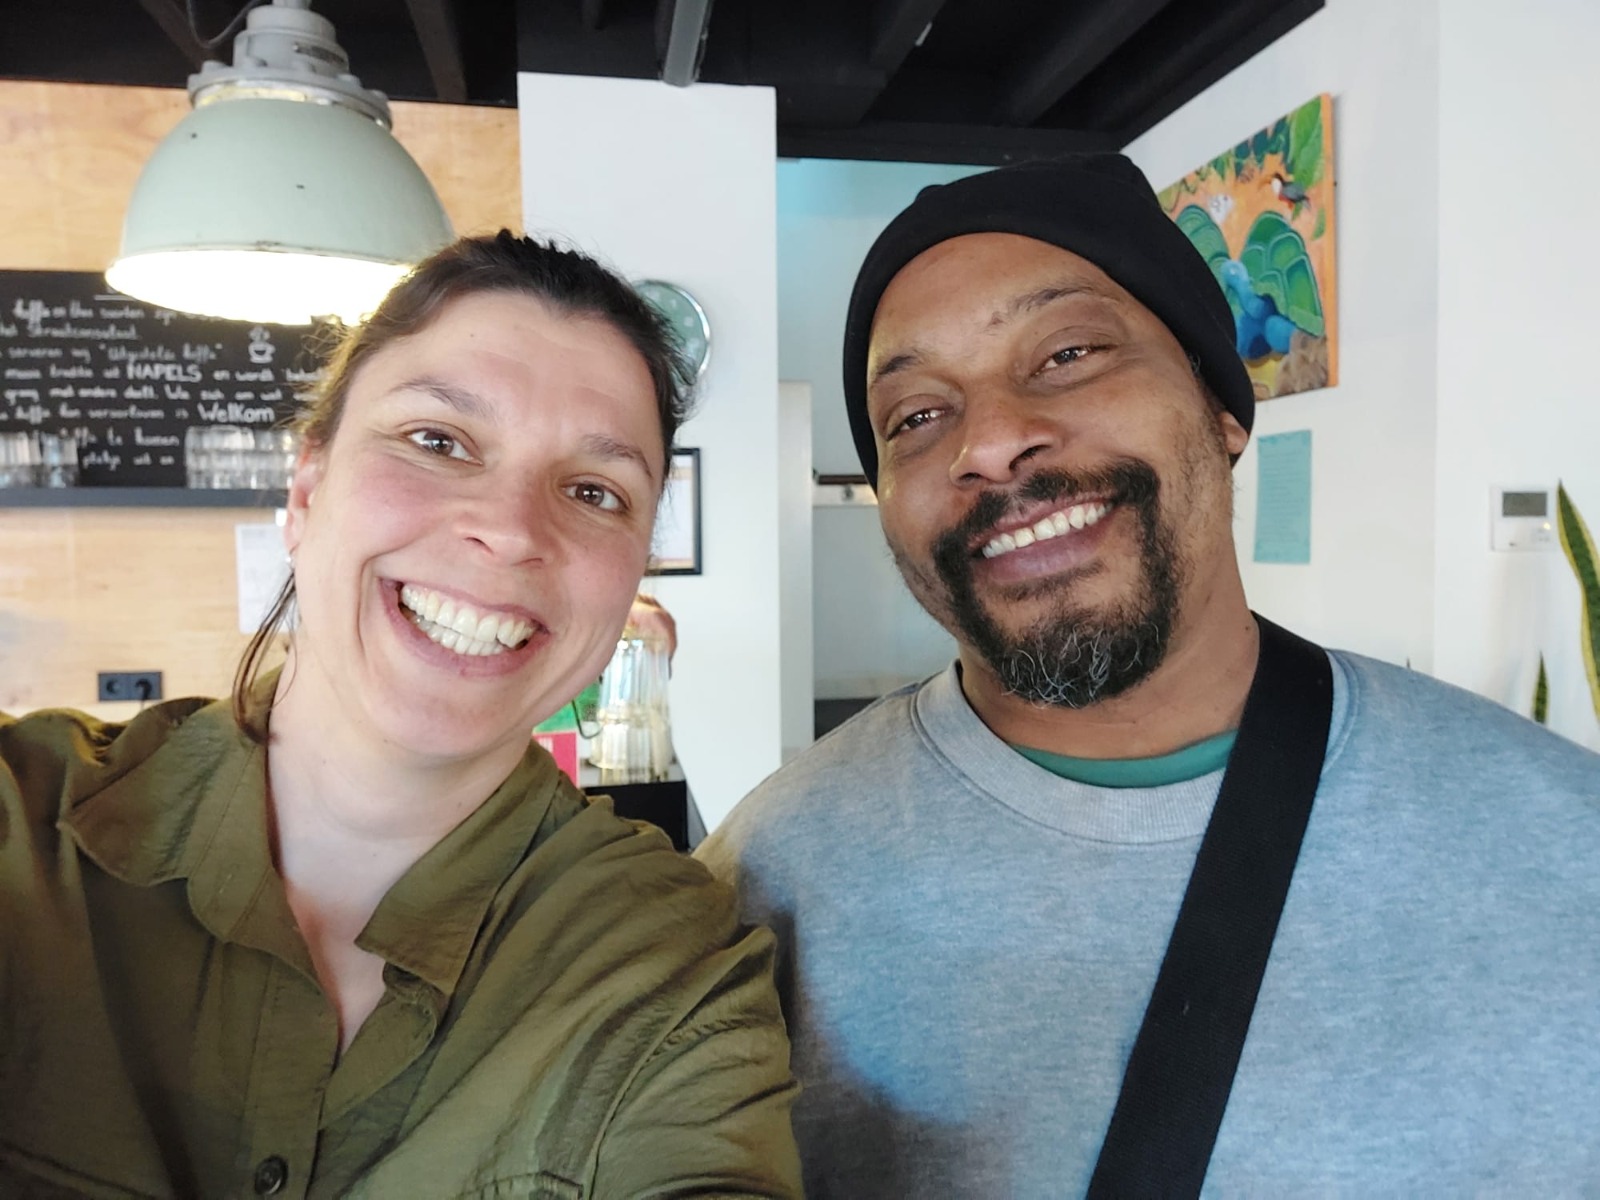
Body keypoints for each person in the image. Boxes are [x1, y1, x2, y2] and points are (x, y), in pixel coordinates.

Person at [697, 156, 1600, 1197]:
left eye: (1067, 353)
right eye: (915, 416)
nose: (991, 442)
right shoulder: (764, 887)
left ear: (1221, 406)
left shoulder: (1560, 841)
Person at [0, 233, 802, 1198]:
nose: (509, 529)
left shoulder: (664, 965)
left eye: (594, 491)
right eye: (438, 441)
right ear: (307, 489)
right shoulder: (23, 829)